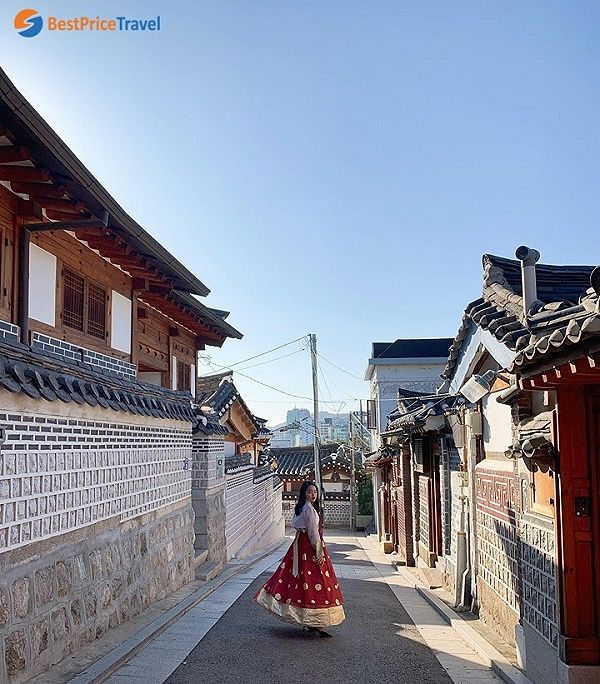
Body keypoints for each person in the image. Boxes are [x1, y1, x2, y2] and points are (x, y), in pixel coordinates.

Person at [254, 480, 345, 636]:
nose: (313, 494)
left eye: (315, 492)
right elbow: (313, 533)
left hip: (300, 546)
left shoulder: (302, 508)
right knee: (317, 580)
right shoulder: (309, 510)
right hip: (309, 547)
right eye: (310, 492)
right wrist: (318, 553)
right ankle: (317, 621)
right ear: (304, 493)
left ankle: (309, 619)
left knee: (301, 580)